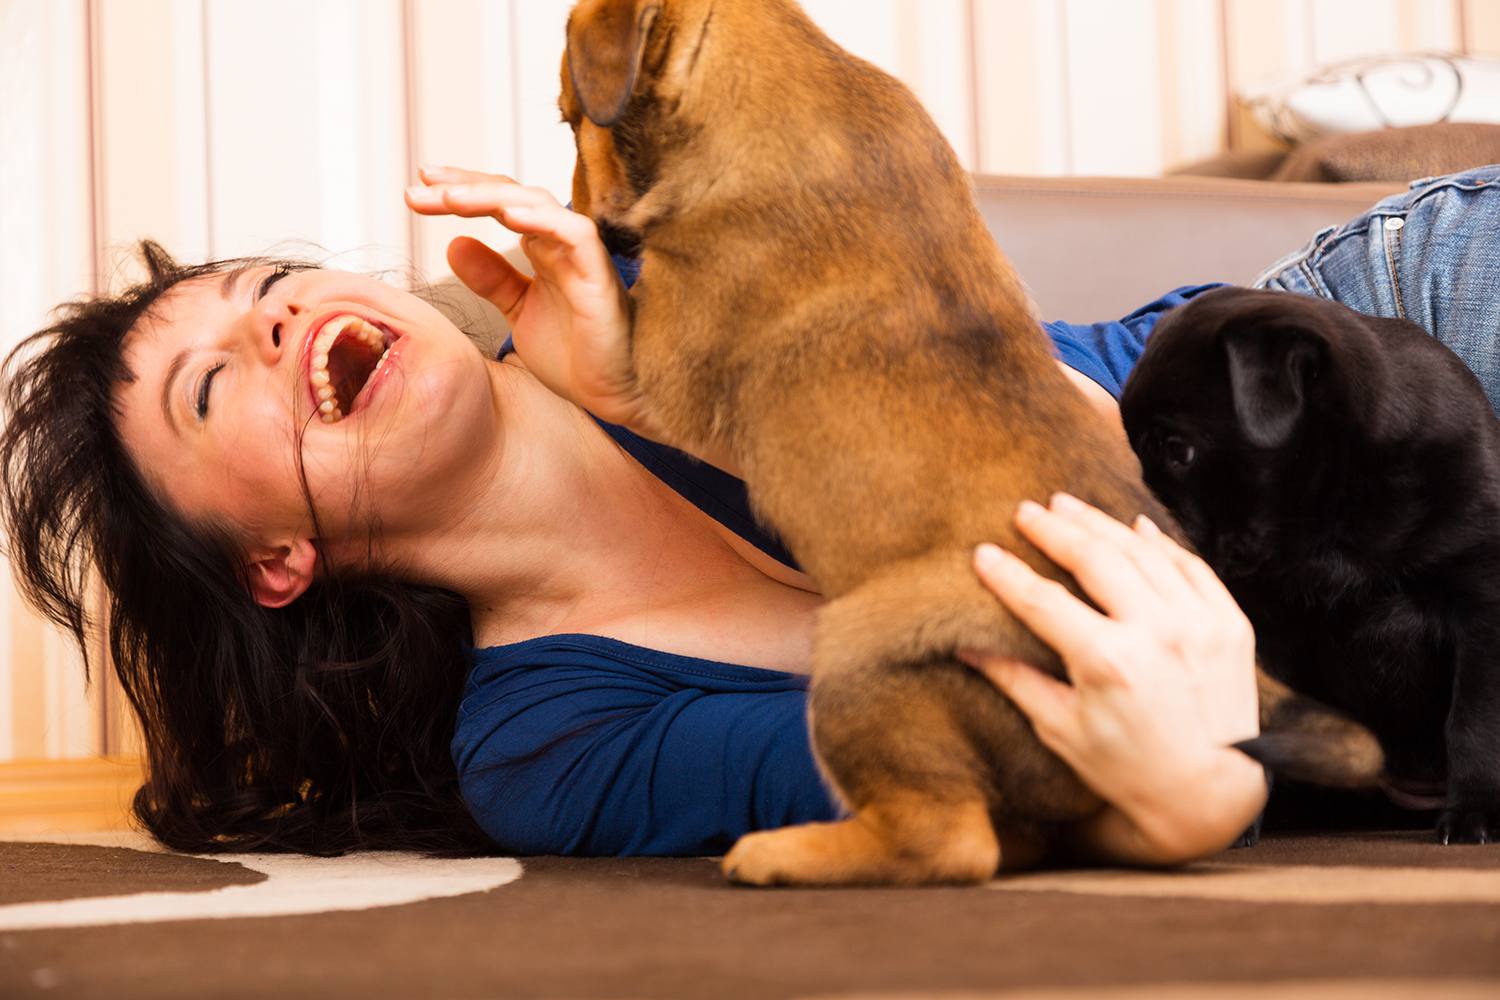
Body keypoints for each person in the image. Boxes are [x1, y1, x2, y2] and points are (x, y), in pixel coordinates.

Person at [3, 160, 1493, 865]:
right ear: (274, 560)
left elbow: (1104, 459)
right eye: (213, 391)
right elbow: (1017, 784)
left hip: (1361, 370)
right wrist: (1189, 795)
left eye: (273, 295)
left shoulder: (670, 294)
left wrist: (668, 390)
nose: (274, 329)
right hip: (1416, 667)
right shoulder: (551, 739)